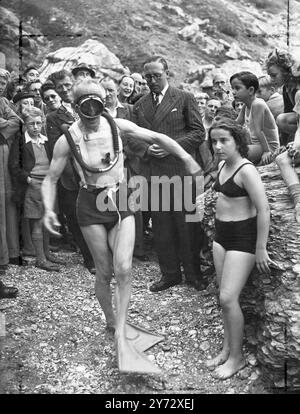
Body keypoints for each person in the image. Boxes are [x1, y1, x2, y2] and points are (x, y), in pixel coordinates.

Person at [41, 78, 201, 373]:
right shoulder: (69, 138)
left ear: (103, 103)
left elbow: (156, 137)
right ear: (76, 107)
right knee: (104, 271)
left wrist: (186, 157)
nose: (93, 111)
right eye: (86, 104)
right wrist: (48, 209)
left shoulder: (117, 126)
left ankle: (122, 330)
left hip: (121, 198)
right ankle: (111, 320)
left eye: (97, 103)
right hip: (90, 204)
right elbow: (51, 178)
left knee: (124, 269)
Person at [131, 55, 207, 292]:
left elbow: (198, 133)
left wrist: (169, 146)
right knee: (162, 227)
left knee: (187, 226)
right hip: (154, 174)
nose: (152, 80)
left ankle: (194, 274)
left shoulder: (184, 98)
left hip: (180, 172)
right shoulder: (140, 105)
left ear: (167, 73)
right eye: (148, 77)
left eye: (157, 75)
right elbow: (131, 139)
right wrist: (146, 149)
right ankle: (170, 274)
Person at [205, 119, 273, 380]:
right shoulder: (222, 165)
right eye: (214, 141)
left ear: (237, 141)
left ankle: (237, 359)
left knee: (228, 298)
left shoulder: (247, 170)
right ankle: (226, 349)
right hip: (221, 237)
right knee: (223, 299)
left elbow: (263, 208)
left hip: (242, 239)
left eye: (224, 140)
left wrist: (260, 247)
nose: (218, 146)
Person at [46, 70, 95, 273]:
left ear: (73, 84)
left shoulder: (89, 105)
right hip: (71, 177)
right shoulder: (54, 117)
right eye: (60, 88)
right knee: (76, 217)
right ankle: (89, 258)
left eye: (67, 85)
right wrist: (76, 176)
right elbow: (57, 152)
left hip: (96, 169)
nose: (65, 90)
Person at [100, 76, 148, 261]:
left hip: (130, 163)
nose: (108, 94)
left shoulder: (128, 110)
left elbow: (139, 134)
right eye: (104, 90)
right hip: (108, 165)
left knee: (134, 205)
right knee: (111, 204)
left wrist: (126, 152)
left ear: (117, 90)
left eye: (111, 90)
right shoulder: (98, 112)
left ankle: (137, 248)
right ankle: (113, 249)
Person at [9, 107, 61, 271]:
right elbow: (13, 165)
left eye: (39, 123)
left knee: (46, 218)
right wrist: (28, 178)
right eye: (32, 123)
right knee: (37, 222)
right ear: (25, 125)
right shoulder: (21, 142)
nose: (35, 127)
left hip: (48, 184)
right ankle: (40, 258)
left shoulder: (45, 141)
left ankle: (46, 252)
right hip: (33, 185)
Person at [265, 48, 300, 223]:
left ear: (286, 71)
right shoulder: (288, 89)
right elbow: (290, 116)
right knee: (283, 119)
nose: (272, 80)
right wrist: (287, 144)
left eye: (274, 75)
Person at [0, 69, 23, 271]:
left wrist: (3, 124)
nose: (0, 85)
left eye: (2, 82)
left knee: (6, 200)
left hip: (3, 152)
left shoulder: (5, 103)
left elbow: (17, 122)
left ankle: (10, 253)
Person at [230, 71, 280, 165]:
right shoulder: (246, 105)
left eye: (237, 88)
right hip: (258, 145)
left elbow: (259, 130)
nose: (233, 92)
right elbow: (236, 124)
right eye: (232, 88)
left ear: (251, 90)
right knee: (225, 150)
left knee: (233, 154)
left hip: (268, 146)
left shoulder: (257, 104)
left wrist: (266, 151)